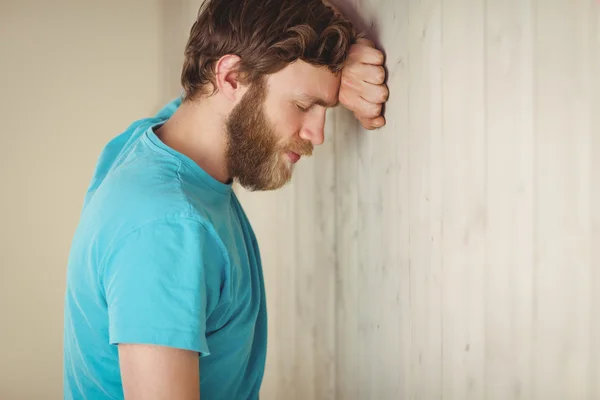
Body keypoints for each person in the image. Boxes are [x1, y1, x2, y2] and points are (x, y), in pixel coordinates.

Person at [63, 0, 388, 398]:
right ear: (231, 77)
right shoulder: (166, 229)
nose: (317, 134)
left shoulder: (151, 143)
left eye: (324, 108)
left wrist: (348, 45)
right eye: (304, 105)